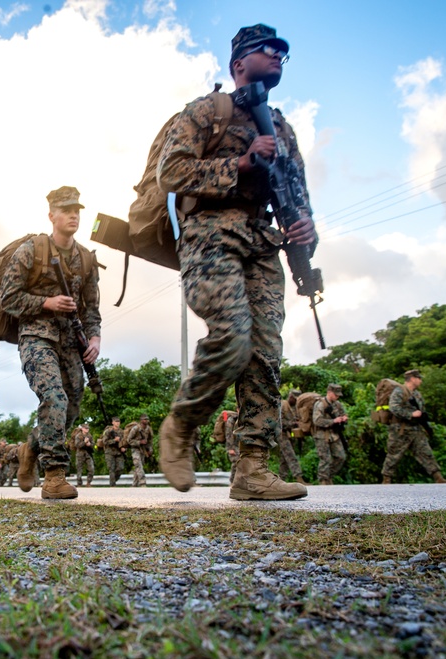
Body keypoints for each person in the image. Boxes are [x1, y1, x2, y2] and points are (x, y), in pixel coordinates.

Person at [156, 23, 313, 501]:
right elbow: (172, 172)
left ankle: (252, 471)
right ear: (240, 61)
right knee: (233, 335)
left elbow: (298, 192)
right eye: (270, 50)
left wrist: (307, 229)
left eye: (285, 52)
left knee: (265, 356)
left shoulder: (282, 126)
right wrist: (240, 164)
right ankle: (182, 423)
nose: (279, 56)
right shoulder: (209, 110)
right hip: (209, 235)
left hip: (263, 243)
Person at [3, 186, 101, 500]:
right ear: (52, 215)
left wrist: (95, 337)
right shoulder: (32, 250)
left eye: (77, 210)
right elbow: (8, 298)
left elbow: (92, 307)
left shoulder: (86, 258)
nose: (74, 215)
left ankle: (30, 447)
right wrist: (47, 303)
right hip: (37, 337)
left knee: (70, 407)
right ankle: (55, 476)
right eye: (67, 209)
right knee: (54, 397)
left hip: (71, 342)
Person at [382, 370, 446, 484]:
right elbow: (394, 408)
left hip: (415, 428)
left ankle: (438, 477)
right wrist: (410, 414)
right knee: (394, 454)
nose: (420, 380)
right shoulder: (399, 391)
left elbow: (421, 411)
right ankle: (386, 479)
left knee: (426, 452)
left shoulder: (417, 394)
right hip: (400, 429)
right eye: (419, 378)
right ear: (412, 379)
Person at [312, 384, 348, 485]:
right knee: (325, 459)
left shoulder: (337, 404)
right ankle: (323, 481)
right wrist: (333, 421)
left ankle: (329, 476)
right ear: (329, 392)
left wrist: (344, 418)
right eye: (335, 394)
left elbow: (343, 413)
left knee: (340, 457)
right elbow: (317, 420)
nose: (337, 396)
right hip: (321, 435)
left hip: (334, 434)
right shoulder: (320, 404)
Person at [278, 391, 305, 483]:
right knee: (291, 455)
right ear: (290, 397)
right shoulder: (282, 405)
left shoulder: (295, 408)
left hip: (291, 435)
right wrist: (293, 423)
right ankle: (299, 477)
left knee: (284, 459)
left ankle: (281, 479)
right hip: (282, 434)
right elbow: (279, 422)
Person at [125, 416, 154, 487]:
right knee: (138, 465)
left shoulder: (148, 429)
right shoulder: (135, 429)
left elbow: (150, 441)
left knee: (138, 467)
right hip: (135, 449)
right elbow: (129, 440)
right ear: (141, 420)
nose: (147, 420)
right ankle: (142, 482)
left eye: (147, 419)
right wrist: (139, 442)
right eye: (145, 419)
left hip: (143, 450)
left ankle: (134, 484)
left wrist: (150, 449)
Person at [101, 417, 126, 486]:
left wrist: (124, 447)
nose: (117, 423)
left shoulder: (122, 432)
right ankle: (112, 485)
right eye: (116, 421)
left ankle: (113, 480)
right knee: (111, 468)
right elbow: (105, 442)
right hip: (110, 452)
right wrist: (114, 440)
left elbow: (124, 441)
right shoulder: (108, 431)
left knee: (120, 468)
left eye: (118, 422)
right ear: (113, 422)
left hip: (119, 452)